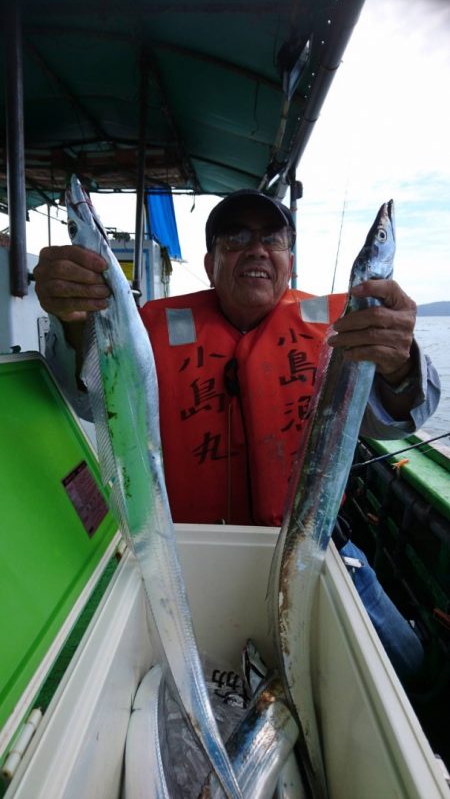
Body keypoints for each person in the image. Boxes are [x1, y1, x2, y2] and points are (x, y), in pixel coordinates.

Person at [34, 189, 440, 678]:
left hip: (317, 543)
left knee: (411, 666)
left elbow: (402, 415)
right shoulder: (148, 330)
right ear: (210, 263)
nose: (257, 248)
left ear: (289, 261)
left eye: (273, 238)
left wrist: (400, 363)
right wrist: (74, 324)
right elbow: (90, 398)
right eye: (235, 237)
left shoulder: (344, 331)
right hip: (187, 553)